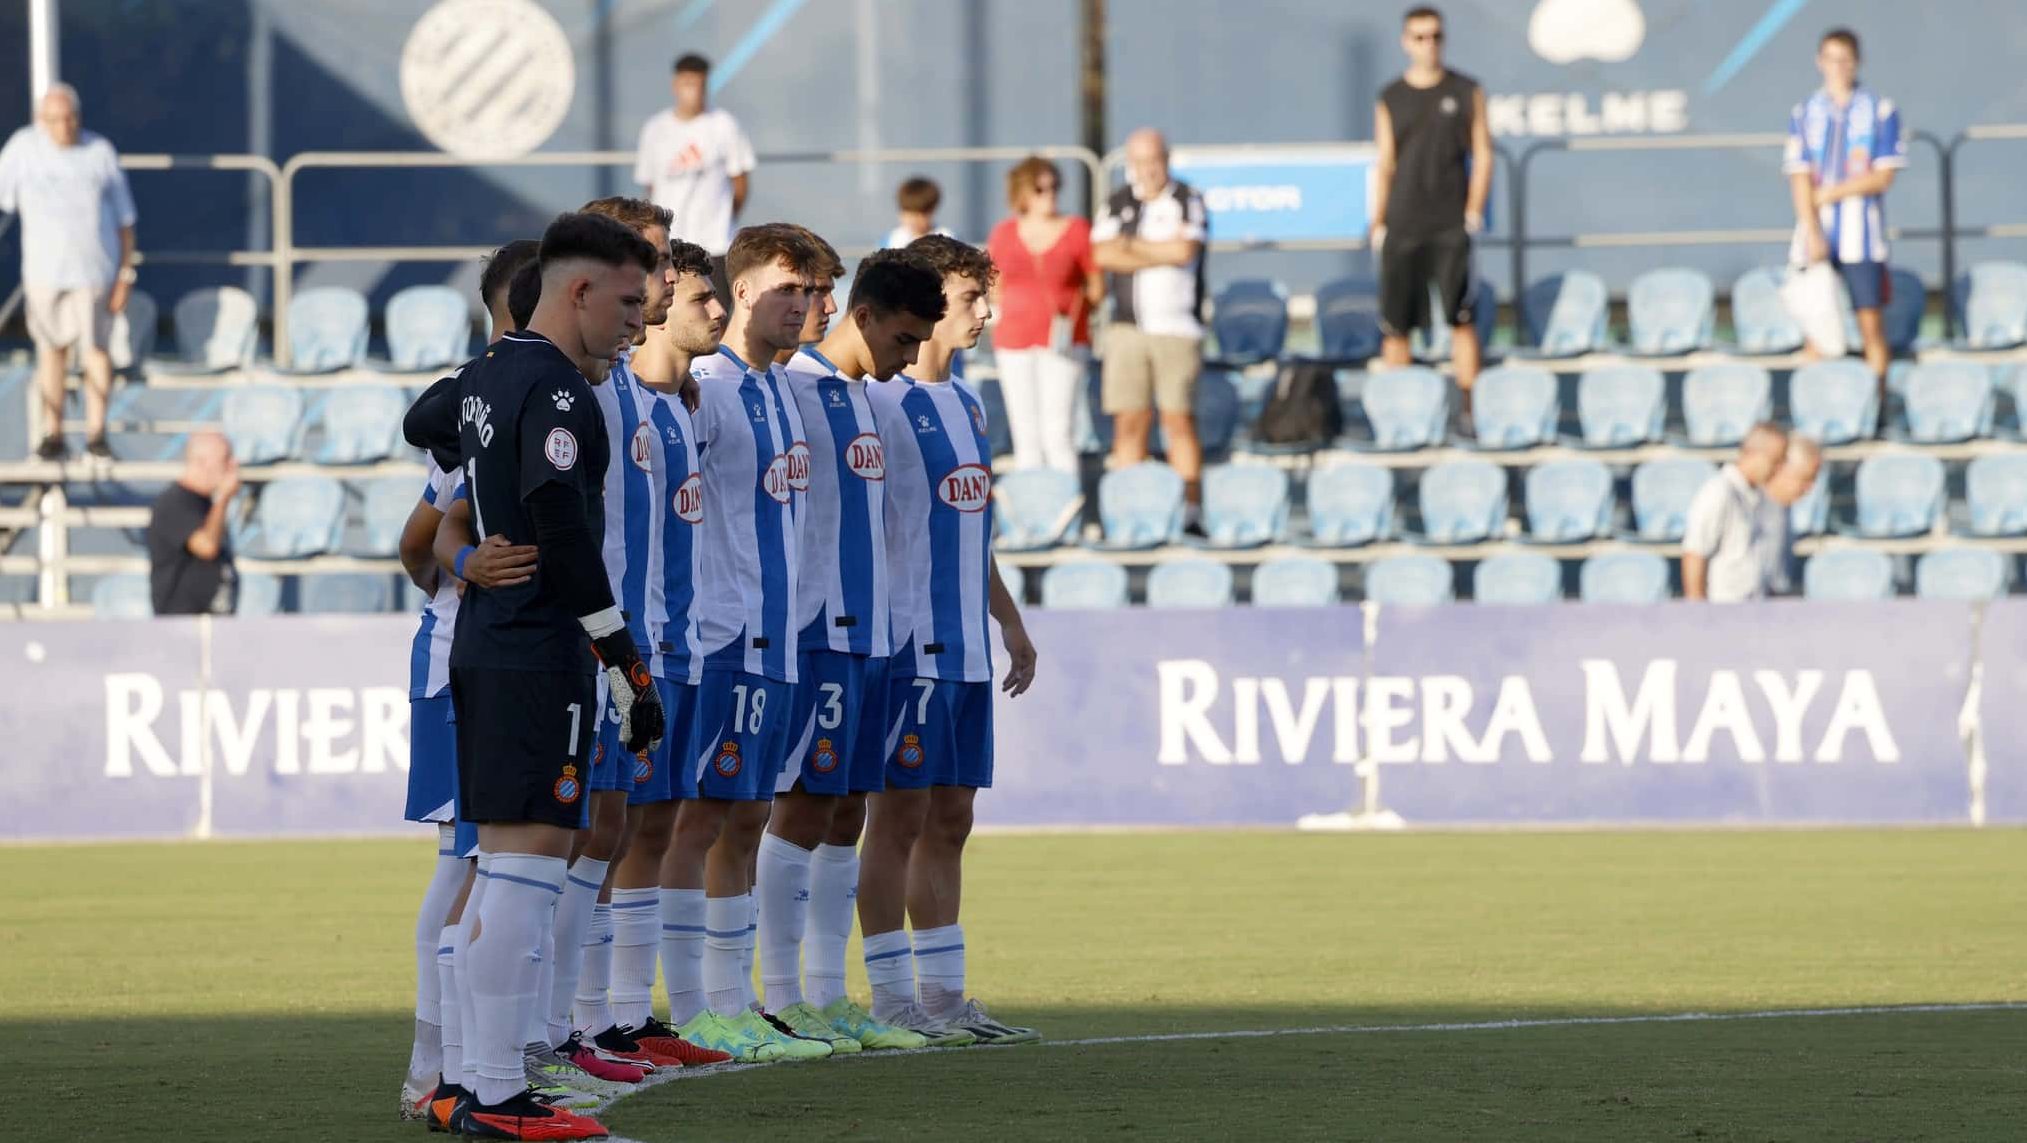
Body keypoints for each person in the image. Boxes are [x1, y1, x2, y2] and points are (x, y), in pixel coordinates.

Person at [403, 210, 665, 1141]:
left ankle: (474, 1084)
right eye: (631, 300)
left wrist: (468, 526)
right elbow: (563, 531)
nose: (641, 319)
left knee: (505, 869)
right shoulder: (558, 391)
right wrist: (625, 661)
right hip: (533, 646)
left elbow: (423, 422)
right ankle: (498, 1095)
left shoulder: (486, 374)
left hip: (489, 640)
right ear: (580, 290)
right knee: (522, 872)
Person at [754, 249, 948, 1054]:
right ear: (863, 316)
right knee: (799, 805)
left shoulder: (868, 397)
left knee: (846, 809)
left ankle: (831, 997)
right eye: (903, 339)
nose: (910, 357)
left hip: (871, 632)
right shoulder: (792, 390)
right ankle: (778, 994)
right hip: (814, 628)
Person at [657, 223, 830, 1063]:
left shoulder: (779, 388)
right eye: (787, 289)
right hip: (721, 634)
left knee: (749, 812)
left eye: (811, 292)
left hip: (780, 640)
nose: (802, 305)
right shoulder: (709, 387)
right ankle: (693, 1006)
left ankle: (734, 1001)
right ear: (745, 290)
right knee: (697, 817)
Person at [861, 236, 1040, 1045]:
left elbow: (976, 528)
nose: (984, 314)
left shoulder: (966, 402)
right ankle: (891, 996)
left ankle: (944, 994)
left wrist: (1008, 618)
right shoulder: (880, 403)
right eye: (971, 298)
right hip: (909, 645)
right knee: (895, 817)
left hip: (967, 642)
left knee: (952, 816)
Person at [397, 239, 546, 1123]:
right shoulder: (473, 406)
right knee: (467, 859)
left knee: (512, 861)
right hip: (466, 662)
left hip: (519, 659)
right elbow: (421, 541)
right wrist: (459, 592)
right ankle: (435, 1066)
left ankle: (484, 1060)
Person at [605, 238, 723, 1052]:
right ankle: (589, 1019)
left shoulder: (679, 406)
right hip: (629, 646)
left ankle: (629, 1015)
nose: (701, 304)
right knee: (606, 831)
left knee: (656, 827)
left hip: (681, 645)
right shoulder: (620, 402)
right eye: (683, 289)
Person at [0, 84, 137, 461]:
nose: (65, 127)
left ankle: (96, 434)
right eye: (56, 120)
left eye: (71, 118)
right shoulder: (23, 150)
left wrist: (125, 275)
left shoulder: (99, 153)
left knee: (96, 350)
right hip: (44, 274)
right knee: (51, 351)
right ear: (41, 121)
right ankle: (54, 433)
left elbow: (126, 221)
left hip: (94, 273)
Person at [1372, 5, 1491, 408]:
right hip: (1403, 222)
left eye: (1436, 36)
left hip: (1449, 223)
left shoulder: (1465, 90)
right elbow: (1385, 163)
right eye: (1420, 37)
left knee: (1461, 318)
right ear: (1406, 43)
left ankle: (1470, 410)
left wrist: (1473, 212)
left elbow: (1484, 155)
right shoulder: (1391, 97)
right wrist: (1378, 222)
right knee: (1396, 325)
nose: (1429, 45)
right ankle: (1401, 414)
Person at [1092, 129, 1208, 524]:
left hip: (1177, 329)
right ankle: (1130, 514)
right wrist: (1158, 251)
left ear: (1167, 158)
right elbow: (1103, 255)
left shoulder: (1187, 199)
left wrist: (1130, 247)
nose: (1148, 169)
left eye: (1154, 159)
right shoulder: (1117, 202)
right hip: (1127, 329)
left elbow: (1184, 250)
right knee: (1129, 422)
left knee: (1177, 420)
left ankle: (1191, 511)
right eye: (1140, 161)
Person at [1785, 27, 1905, 388]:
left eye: (1844, 59)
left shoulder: (1879, 109)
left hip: (1862, 238)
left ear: (1857, 62)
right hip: (1816, 236)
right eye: (1830, 59)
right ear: (1819, 62)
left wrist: (1831, 193)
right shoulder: (1805, 112)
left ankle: (1875, 410)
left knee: (1870, 325)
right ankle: (1817, 412)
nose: (1837, 67)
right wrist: (1813, 229)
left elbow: (1882, 175)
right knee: (1816, 328)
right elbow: (1799, 175)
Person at [987, 156, 1101, 474]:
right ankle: (1031, 516)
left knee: (1059, 433)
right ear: (1022, 193)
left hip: (1063, 340)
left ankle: (1068, 517)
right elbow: (994, 282)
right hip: (1013, 339)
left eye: (1054, 187)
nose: (1049, 194)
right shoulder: (1004, 233)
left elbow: (1096, 285)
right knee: (1026, 437)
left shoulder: (1077, 229)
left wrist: (1077, 309)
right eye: (1040, 188)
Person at [634, 53, 754, 259]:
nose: (695, 92)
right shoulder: (655, 129)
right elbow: (651, 185)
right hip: (670, 245)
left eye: (701, 85)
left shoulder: (724, 124)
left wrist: (723, 220)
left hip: (715, 246)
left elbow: (740, 184)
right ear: (675, 85)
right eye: (688, 84)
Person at [1682, 422, 1789, 603]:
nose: (1779, 469)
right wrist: (1698, 616)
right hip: (1724, 611)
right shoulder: (1718, 492)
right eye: (1776, 461)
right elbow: (1694, 554)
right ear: (1755, 454)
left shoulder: (1760, 496)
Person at [145, 432, 238, 615]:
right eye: (225, 459)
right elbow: (206, 547)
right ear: (202, 462)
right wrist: (224, 498)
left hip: (213, 626)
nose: (232, 466)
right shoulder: (174, 503)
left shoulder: (206, 504)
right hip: (184, 627)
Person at [1759, 434, 1823, 597]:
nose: (1809, 488)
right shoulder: (1749, 505)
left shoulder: (1784, 508)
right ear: (1783, 468)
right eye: (1805, 479)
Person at [884, 176, 949, 250]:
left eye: (919, 214)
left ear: (932, 210)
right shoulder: (892, 240)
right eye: (909, 213)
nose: (913, 220)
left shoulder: (947, 238)